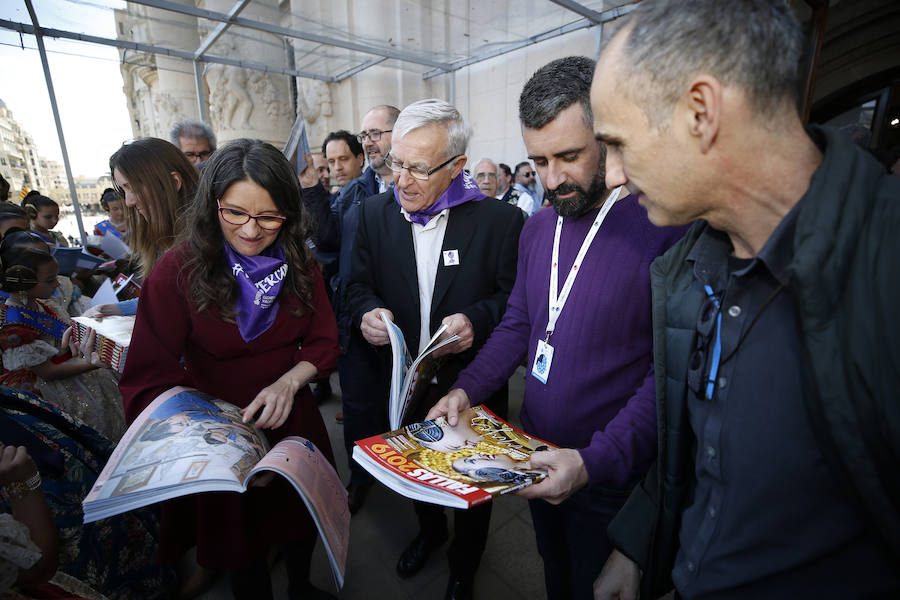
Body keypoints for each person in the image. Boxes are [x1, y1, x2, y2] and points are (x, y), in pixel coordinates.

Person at [590, 2, 900, 599]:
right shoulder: (686, 269)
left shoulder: (884, 270)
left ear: (700, 112)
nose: (614, 176)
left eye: (619, 143)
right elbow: (702, 452)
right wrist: (638, 542)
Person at [425, 56, 684, 600]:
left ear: (608, 138)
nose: (553, 179)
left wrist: (595, 463)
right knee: (556, 574)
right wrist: (465, 389)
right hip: (533, 456)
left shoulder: (662, 227)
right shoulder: (539, 226)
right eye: (538, 160)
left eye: (569, 156)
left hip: (612, 475)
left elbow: (667, 379)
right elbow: (519, 324)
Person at [118, 138, 341, 600]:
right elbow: (147, 381)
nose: (251, 231)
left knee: (302, 522)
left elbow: (323, 341)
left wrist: (290, 381)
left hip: (291, 420)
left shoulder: (299, 262)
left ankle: (302, 586)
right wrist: (229, 447)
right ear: (211, 204)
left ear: (290, 214)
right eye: (235, 213)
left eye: (269, 217)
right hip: (218, 433)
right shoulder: (179, 271)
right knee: (243, 548)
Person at [346, 98, 524, 600]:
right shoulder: (371, 216)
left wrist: (477, 320)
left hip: (472, 384)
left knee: (474, 487)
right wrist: (368, 314)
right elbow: (355, 286)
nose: (401, 179)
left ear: (457, 167)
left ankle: (465, 568)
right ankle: (429, 532)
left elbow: (513, 302)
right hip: (401, 382)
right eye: (397, 162)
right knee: (416, 468)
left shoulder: (499, 223)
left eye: (419, 168)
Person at [0, 245, 125, 441]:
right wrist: (92, 363)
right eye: (50, 280)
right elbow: (47, 372)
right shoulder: (13, 327)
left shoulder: (43, 304)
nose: (58, 284)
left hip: (76, 365)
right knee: (97, 420)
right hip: (55, 386)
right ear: (23, 286)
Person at [87, 137, 198, 319]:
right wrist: (111, 310)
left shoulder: (205, 243)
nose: (129, 202)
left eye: (133, 188)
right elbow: (164, 299)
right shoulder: (164, 238)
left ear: (173, 182)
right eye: (124, 191)